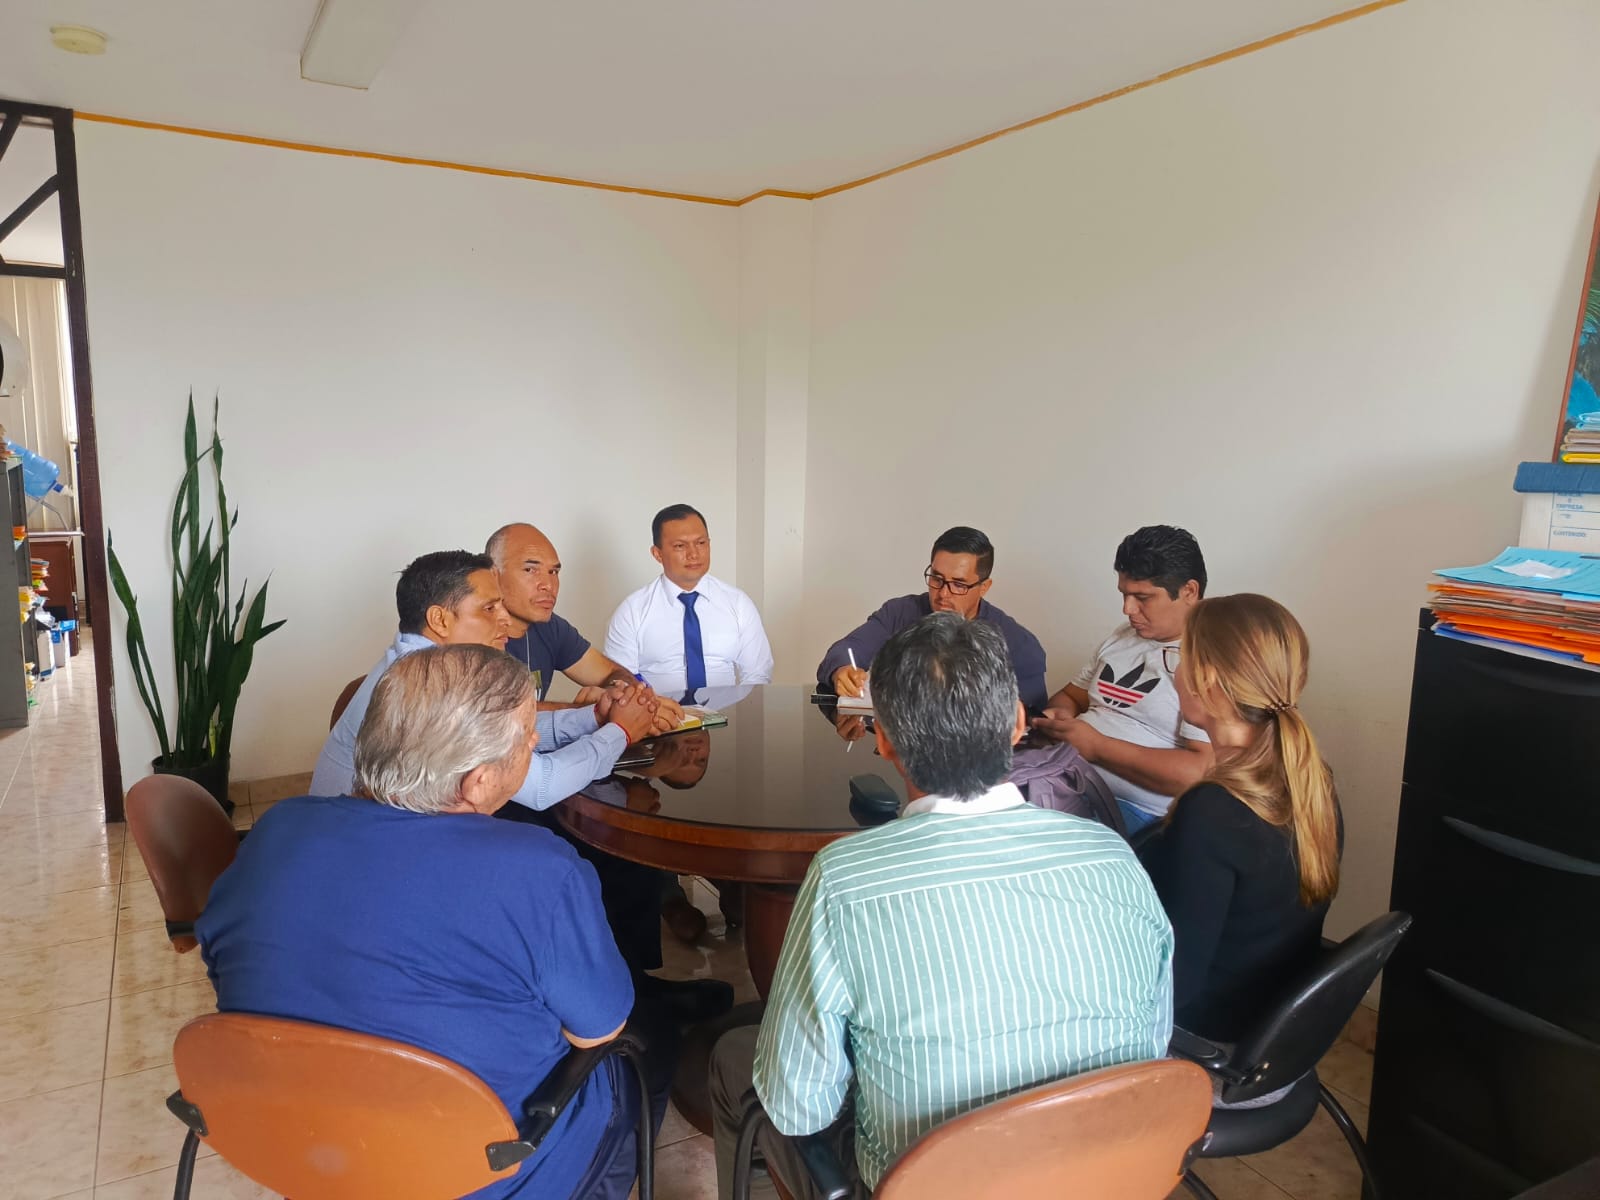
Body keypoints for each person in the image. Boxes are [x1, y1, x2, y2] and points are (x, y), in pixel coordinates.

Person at [709, 614, 1174, 1200]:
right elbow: (1154, 1042)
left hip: (928, 1183)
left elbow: (799, 1103)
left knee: (734, 1057)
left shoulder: (845, 877)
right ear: (1017, 723)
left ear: (882, 738)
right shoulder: (1112, 853)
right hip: (1112, 1176)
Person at [199, 645, 670, 1200]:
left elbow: (223, 964)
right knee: (651, 1044)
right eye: (527, 734)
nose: (534, 741)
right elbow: (598, 1031)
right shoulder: (539, 870)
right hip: (488, 1175)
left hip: (300, 1149)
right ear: (476, 782)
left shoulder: (276, 830)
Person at [1138, 593, 1344, 1041]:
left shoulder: (1213, 811)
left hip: (1208, 1032)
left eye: (1181, 657)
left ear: (1208, 681)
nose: (1176, 672)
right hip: (1268, 1020)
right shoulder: (1310, 777)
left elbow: (1175, 986)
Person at [311, 550, 657, 809]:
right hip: (363, 851)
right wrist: (621, 732)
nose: (505, 619)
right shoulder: (430, 685)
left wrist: (593, 717)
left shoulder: (416, 664)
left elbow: (499, 731)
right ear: (440, 620)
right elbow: (543, 786)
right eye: (489, 609)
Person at [1032, 525, 1214, 834]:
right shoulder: (1123, 636)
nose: (1127, 609)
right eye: (1124, 594)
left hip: (1133, 810)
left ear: (1189, 591)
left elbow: (1198, 772)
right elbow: (1072, 697)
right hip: (1062, 776)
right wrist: (1058, 719)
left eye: (1142, 597)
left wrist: (1097, 746)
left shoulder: (1210, 658)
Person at [817, 526, 1048, 709]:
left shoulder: (1018, 645)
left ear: (984, 587)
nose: (943, 594)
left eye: (958, 584)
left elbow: (1030, 717)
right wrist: (841, 670)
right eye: (937, 579)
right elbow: (846, 649)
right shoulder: (899, 613)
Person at [487, 522, 682, 729]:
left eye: (553, 572)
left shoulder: (550, 627)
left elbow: (611, 672)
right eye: (530, 570)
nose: (548, 585)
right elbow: (496, 715)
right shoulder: (472, 630)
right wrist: (594, 711)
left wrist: (629, 698)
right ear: (492, 574)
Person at [605, 505, 773, 700]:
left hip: (726, 715)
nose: (694, 554)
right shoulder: (632, 611)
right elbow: (621, 683)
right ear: (657, 554)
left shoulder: (738, 603)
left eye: (701, 543)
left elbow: (758, 675)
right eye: (680, 546)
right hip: (657, 715)